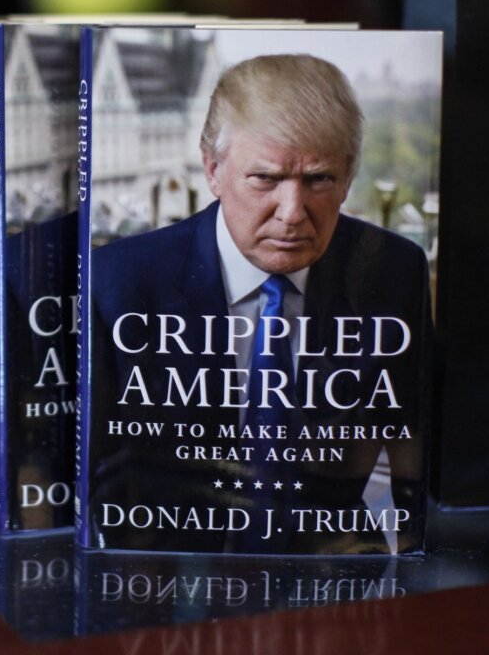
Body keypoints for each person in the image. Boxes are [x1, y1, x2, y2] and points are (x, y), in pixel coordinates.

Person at [86, 54, 433, 554]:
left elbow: (408, 434)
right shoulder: (122, 280)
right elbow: (100, 469)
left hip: (332, 569)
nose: (292, 214)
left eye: (319, 180)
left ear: (350, 177)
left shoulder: (394, 269)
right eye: (265, 179)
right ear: (213, 169)